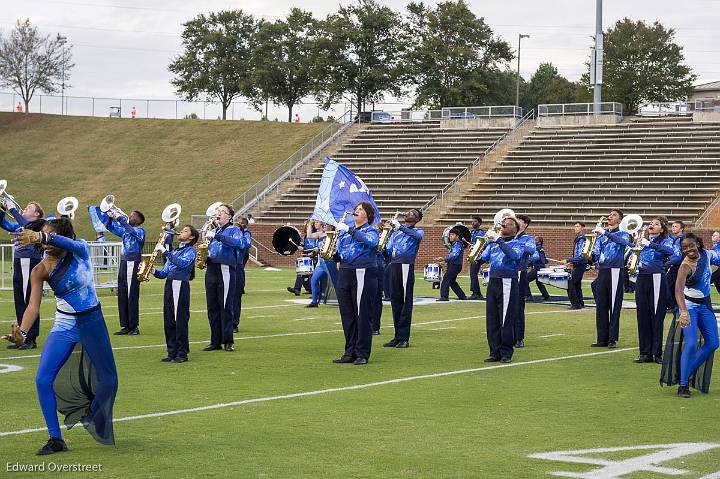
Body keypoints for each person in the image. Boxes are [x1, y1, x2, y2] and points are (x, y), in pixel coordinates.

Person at [7, 219, 118, 454]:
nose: (46, 242)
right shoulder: (40, 270)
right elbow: (33, 307)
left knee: (109, 381)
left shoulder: (79, 250)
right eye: (42, 236)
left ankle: (92, 414)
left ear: (63, 236)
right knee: (42, 379)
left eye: (51, 236)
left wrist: (40, 236)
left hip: (92, 321)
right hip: (65, 324)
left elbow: (64, 242)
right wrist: (23, 333)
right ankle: (55, 439)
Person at [672, 233, 720, 398]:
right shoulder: (685, 266)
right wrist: (683, 312)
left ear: (698, 244)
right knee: (691, 344)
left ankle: (684, 373)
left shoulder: (707, 254)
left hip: (705, 305)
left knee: (713, 342)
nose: (688, 250)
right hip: (689, 307)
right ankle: (683, 385)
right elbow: (678, 290)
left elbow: (718, 257)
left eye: (691, 245)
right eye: (684, 248)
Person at [332, 202, 379, 365]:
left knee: (362, 314)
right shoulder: (345, 233)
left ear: (367, 214)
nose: (356, 212)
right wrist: (330, 253)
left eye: (360, 210)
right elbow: (341, 254)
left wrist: (349, 230)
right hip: (345, 272)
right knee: (347, 314)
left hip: (363, 272)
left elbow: (371, 243)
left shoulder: (371, 230)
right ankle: (349, 351)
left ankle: (362, 353)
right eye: (356, 210)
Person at [0, 200, 46, 349]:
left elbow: (27, 226)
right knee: (19, 300)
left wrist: (13, 209)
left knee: (29, 300)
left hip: (30, 262)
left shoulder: (40, 223)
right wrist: (2, 210)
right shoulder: (20, 224)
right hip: (19, 262)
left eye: (29, 208)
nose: (25, 209)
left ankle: (31, 338)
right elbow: (4, 224)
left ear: (37, 213)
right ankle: (21, 337)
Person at [479, 216, 524, 363]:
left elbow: (514, 255)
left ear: (515, 229)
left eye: (508, 223)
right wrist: (481, 245)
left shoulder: (517, 243)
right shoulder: (493, 243)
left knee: (505, 318)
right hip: (493, 280)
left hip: (507, 281)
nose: (504, 224)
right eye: (503, 223)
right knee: (492, 319)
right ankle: (494, 351)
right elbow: (483, 258)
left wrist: (497, 239)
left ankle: (506, 352)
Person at [203, 204, 247, 352]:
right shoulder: (213, 231)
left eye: (223, 211)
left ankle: (228, 340)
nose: (219, 214)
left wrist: (218, 236)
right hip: (211, 269)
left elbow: (241, 244)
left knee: (225, 306)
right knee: (212, 307)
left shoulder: (234, 230)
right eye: (218, 211)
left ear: (229, 216)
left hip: (225, 268)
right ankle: (215, 341)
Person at [153, 225, 198, 363]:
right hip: (170, 284)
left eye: (185, 231)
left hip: (180, 284)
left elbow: (183, 264)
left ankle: (182, 353)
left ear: (191, 237)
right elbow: (164, 273)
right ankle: (171, 352)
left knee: (180, 320)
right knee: (169, 320)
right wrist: (154, 271)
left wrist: (165, 252)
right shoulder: (176, 250)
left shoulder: (191, 250)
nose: (181, 232)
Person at [632, 216, 674, 364]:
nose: (652, 226)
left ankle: (657, 353)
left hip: (656, 277)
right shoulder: (642, 240)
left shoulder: (666, 240)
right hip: (642, 277)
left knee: (656, 316)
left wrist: (650, 244)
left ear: (662, 229)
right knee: (642, 315)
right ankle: (644, 352)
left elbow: (670, 251)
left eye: (656, 224)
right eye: (651, 223)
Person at [383, 208, 424, 348]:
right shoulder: (396, 232)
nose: (409, 214)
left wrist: (399, 226)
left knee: (406, 302)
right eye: (409, 212)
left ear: (417, 220)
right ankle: (397, 336)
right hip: (393, 265)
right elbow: (388, 250)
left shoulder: (418, 231)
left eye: (413, 214)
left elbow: (417, 237)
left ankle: (404, 338)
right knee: (396, 301)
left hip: (406, 265)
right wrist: (384, 235)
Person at [590, 209, 630, 348]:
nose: (609, 217)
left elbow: (622, 243)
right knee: (601, 305)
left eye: (613, 215)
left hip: (615, 270)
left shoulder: (623, 233)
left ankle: (612, 338)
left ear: (619, 220)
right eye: (609, 215)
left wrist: (605, 233)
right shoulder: (601, 236)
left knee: (614, 306)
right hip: (603, 271)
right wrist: (593, 258)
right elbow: (596, 252)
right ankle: (602, 338)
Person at [104, 209, 145, 335]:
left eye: (132, 216)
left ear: (137, 220)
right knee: (122, 293)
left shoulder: (140, 230)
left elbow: (132, 231)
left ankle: (134, 326)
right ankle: (125, 325)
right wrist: (110, 217)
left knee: (131, 293)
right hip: (124, 262)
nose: (129, 217)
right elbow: (109, 227)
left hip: (133, 262)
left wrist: (121, 219)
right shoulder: (125, 231)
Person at [514, 214, 537, 348]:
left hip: (519, 272)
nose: (515, 223)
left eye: (519, 221)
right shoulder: (509, 237)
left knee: (518, 306)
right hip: (507, 272)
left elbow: (533, 254)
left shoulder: (528, 238)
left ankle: (519, 337)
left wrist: (518, 245)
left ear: (525, 224)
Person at [306, 223, 338, 308]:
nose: (324, 226)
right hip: (321, 263)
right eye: (324, 224)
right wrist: (309, 224)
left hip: (330, 262)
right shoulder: (320, 234)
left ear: (331, 226)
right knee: (314, 280)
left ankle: (344, 301)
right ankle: (314, 302)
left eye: (327, 224)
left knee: (336, 283)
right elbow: (309, 235)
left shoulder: (335, 235)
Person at [436, 227, 467, 301]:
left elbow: (454, 255)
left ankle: (444, 296)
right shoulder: (455, 244)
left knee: (446, 279)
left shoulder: (457, 244)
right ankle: (462, 296)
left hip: (455, 265)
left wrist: (444, 259)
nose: (451, 237)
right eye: (450, 235)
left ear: (457, 236)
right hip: (454, 265)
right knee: (452, 281)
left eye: (453, 235)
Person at [232, 217, 251, 333]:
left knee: (235, 297)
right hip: (226, 265)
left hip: (237, 265)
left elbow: (246, 244)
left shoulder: (246, 234)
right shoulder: (229, 232)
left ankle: (234, 323)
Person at [287, 222, 316, 296]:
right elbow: (304, 247)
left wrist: (312, 252)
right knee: (302, 272)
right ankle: (301, 289)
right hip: (306, 255)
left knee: (306, 273)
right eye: (306, 226)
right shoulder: (305, 237)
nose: (306, 227)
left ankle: (302, 289)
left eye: (307, 226)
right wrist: (300, 248)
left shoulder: (316, 234)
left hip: (314, 255)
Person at [565, 222, 587, 309]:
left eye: (578, 226)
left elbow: (581, 255)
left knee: (570, 283)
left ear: (582, 228)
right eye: (575, 226)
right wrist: (572, 261)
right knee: (577, 284)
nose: (575, 228)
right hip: (578, 263)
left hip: (580, 263)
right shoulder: (579, 238)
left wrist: (569, 260)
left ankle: (575, 304)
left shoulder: (582, 239)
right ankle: (580, 303)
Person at [665, 221, 686, 310]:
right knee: (674, 287)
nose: (673, 228)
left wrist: (666, 263)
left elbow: (677, 256)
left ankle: (672, 306)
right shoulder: (677, 238)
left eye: (676, 226)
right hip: (678, 265)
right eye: (672, 226)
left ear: (681, 229)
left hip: (677, 266)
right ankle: (675, 305)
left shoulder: (680, 239)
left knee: (666, 285)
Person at [526, 237, 550, 302]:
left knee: (525, 280)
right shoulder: (541, 249)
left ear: (539, 242)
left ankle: (528, 296)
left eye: (536, 240)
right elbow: (546, 261)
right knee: (539, 282)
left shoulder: (537, 249)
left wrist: (529, 259)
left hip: (538, 268)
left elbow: (535, 258)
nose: (534, 241)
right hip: (541, 267)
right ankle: (546, 295)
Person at [468, 215, 485, 300]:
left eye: (475, 221)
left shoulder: (480, 233)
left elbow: (480, 244)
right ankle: (475, 292)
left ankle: (477, 293)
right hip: (473, 255)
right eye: (472, 221)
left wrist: (474, 246)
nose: (472, 223)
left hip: (478, 256)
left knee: (473, 274)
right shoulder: (472, 232)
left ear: (479, 223)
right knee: (472, 274)